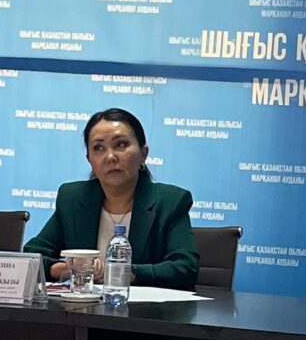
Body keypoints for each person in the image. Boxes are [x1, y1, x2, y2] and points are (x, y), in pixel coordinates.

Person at [25, 107, 198, 289]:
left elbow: (186, 268)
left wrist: (124, 272)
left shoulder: (170, 202)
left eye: (121, 144)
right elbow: (32, 257)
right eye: (98, 148)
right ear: (89, 160)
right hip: (83, 305)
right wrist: (68, 269)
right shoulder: (73, 199)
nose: (110, 157)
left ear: (143, 154)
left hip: (143, 306)